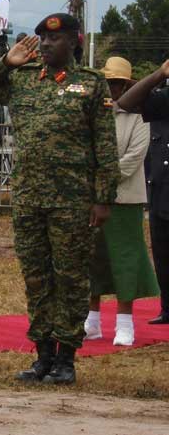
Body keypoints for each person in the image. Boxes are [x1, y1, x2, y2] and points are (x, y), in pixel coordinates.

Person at [0, 13, 120, 384]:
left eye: (55, 38)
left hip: (72, 199)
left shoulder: (91, 83)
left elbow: (105, 144)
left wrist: (103, 198)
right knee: (36, 277)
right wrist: (6, 63)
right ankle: (42, 355)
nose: (47, 44)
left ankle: (66, 358)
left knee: (70, 277)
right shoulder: (22, 79)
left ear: (73, 41)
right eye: (43, 38)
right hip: (28, 197)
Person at [85, 57, 159, 345]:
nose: (111, 88)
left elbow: (135, 157)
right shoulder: (93, 111)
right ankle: (91, 321)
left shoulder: (140, 114)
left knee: (125, 259)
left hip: (125, 198)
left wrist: (104, 177)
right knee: (92, 258)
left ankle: (124, 323)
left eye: (117, 83)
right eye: (107, 82)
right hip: (91, 196)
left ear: (127, 85)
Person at [118, 59, 169, 324]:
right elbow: (126, 103)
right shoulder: (165, 98)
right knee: (162, 252)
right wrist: (158, 74)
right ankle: (168, 308)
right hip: (162, 190)